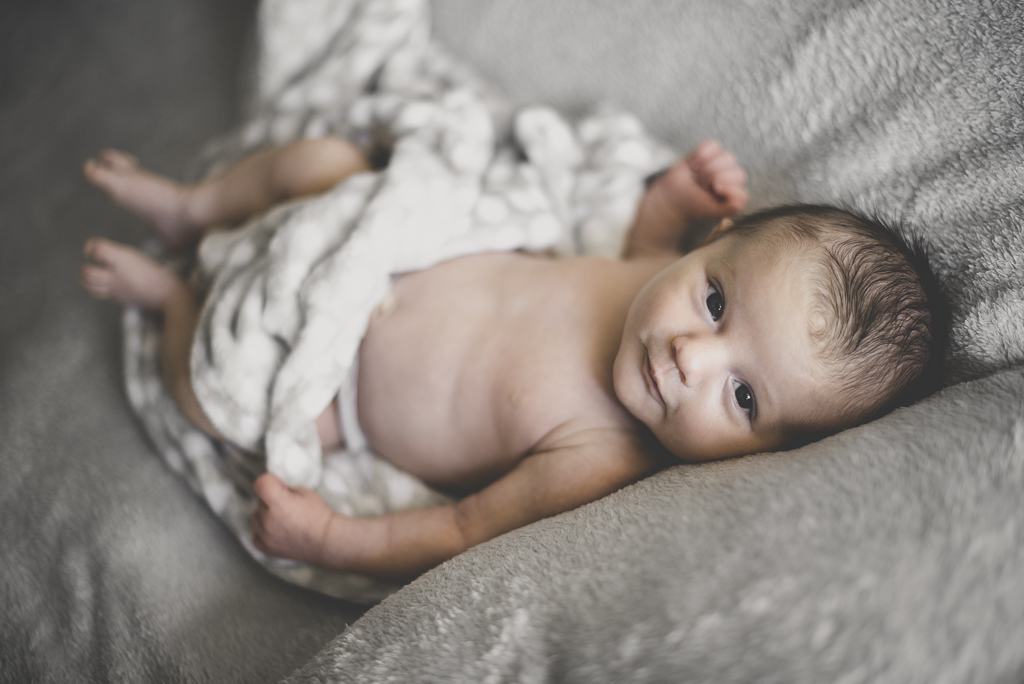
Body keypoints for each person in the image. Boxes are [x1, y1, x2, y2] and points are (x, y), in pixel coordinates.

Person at [79, 136, 941, 580]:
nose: (689, 356)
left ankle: (173, 301)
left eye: (745, 398)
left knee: (217, 399)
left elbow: (464, 527)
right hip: (375, 257)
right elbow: (642, 238)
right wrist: (672, 194)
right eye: (716, 300)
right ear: (711, 244)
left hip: (341, 394)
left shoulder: (601, 455)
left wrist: (333, 538)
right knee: (329, 163)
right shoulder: (653, 268)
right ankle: (193, 208)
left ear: (766, 457)